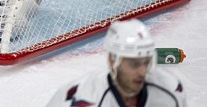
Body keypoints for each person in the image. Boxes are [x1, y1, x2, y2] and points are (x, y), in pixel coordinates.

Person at [45, 19, 187, 107]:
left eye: (146, 62)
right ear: (112, 61)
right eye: (134, 64)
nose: (143, 72)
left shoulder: (170, 91)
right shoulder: (83, 98)